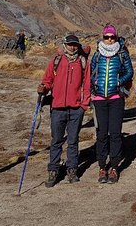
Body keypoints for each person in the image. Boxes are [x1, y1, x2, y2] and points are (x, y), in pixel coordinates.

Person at [37, 34, 90, 187]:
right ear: (65, 45)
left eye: (75, 45)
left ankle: (72, 169)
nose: (72, 47)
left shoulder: (83, 61)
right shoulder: (56, 61)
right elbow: (48, 80)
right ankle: (53, 171)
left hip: (75, 108)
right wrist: (44, 88)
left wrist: (83, 105)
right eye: (70, 44)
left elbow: (87, 84)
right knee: (56, 141)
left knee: (73, 141)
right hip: (57, 107)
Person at [90, 24, 133, 184]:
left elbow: (130, 72)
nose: (109, 40)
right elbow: (91, 72)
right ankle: (102, 167)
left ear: (116, 37)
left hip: (116, 98)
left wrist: (118, 82)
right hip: (99, 100)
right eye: (106, 37)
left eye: (112, 37)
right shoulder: (97, 55)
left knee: (115, 134)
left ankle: (114, 167)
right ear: (103, 37)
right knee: (101, 134)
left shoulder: (121, 54)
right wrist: (93, 85)